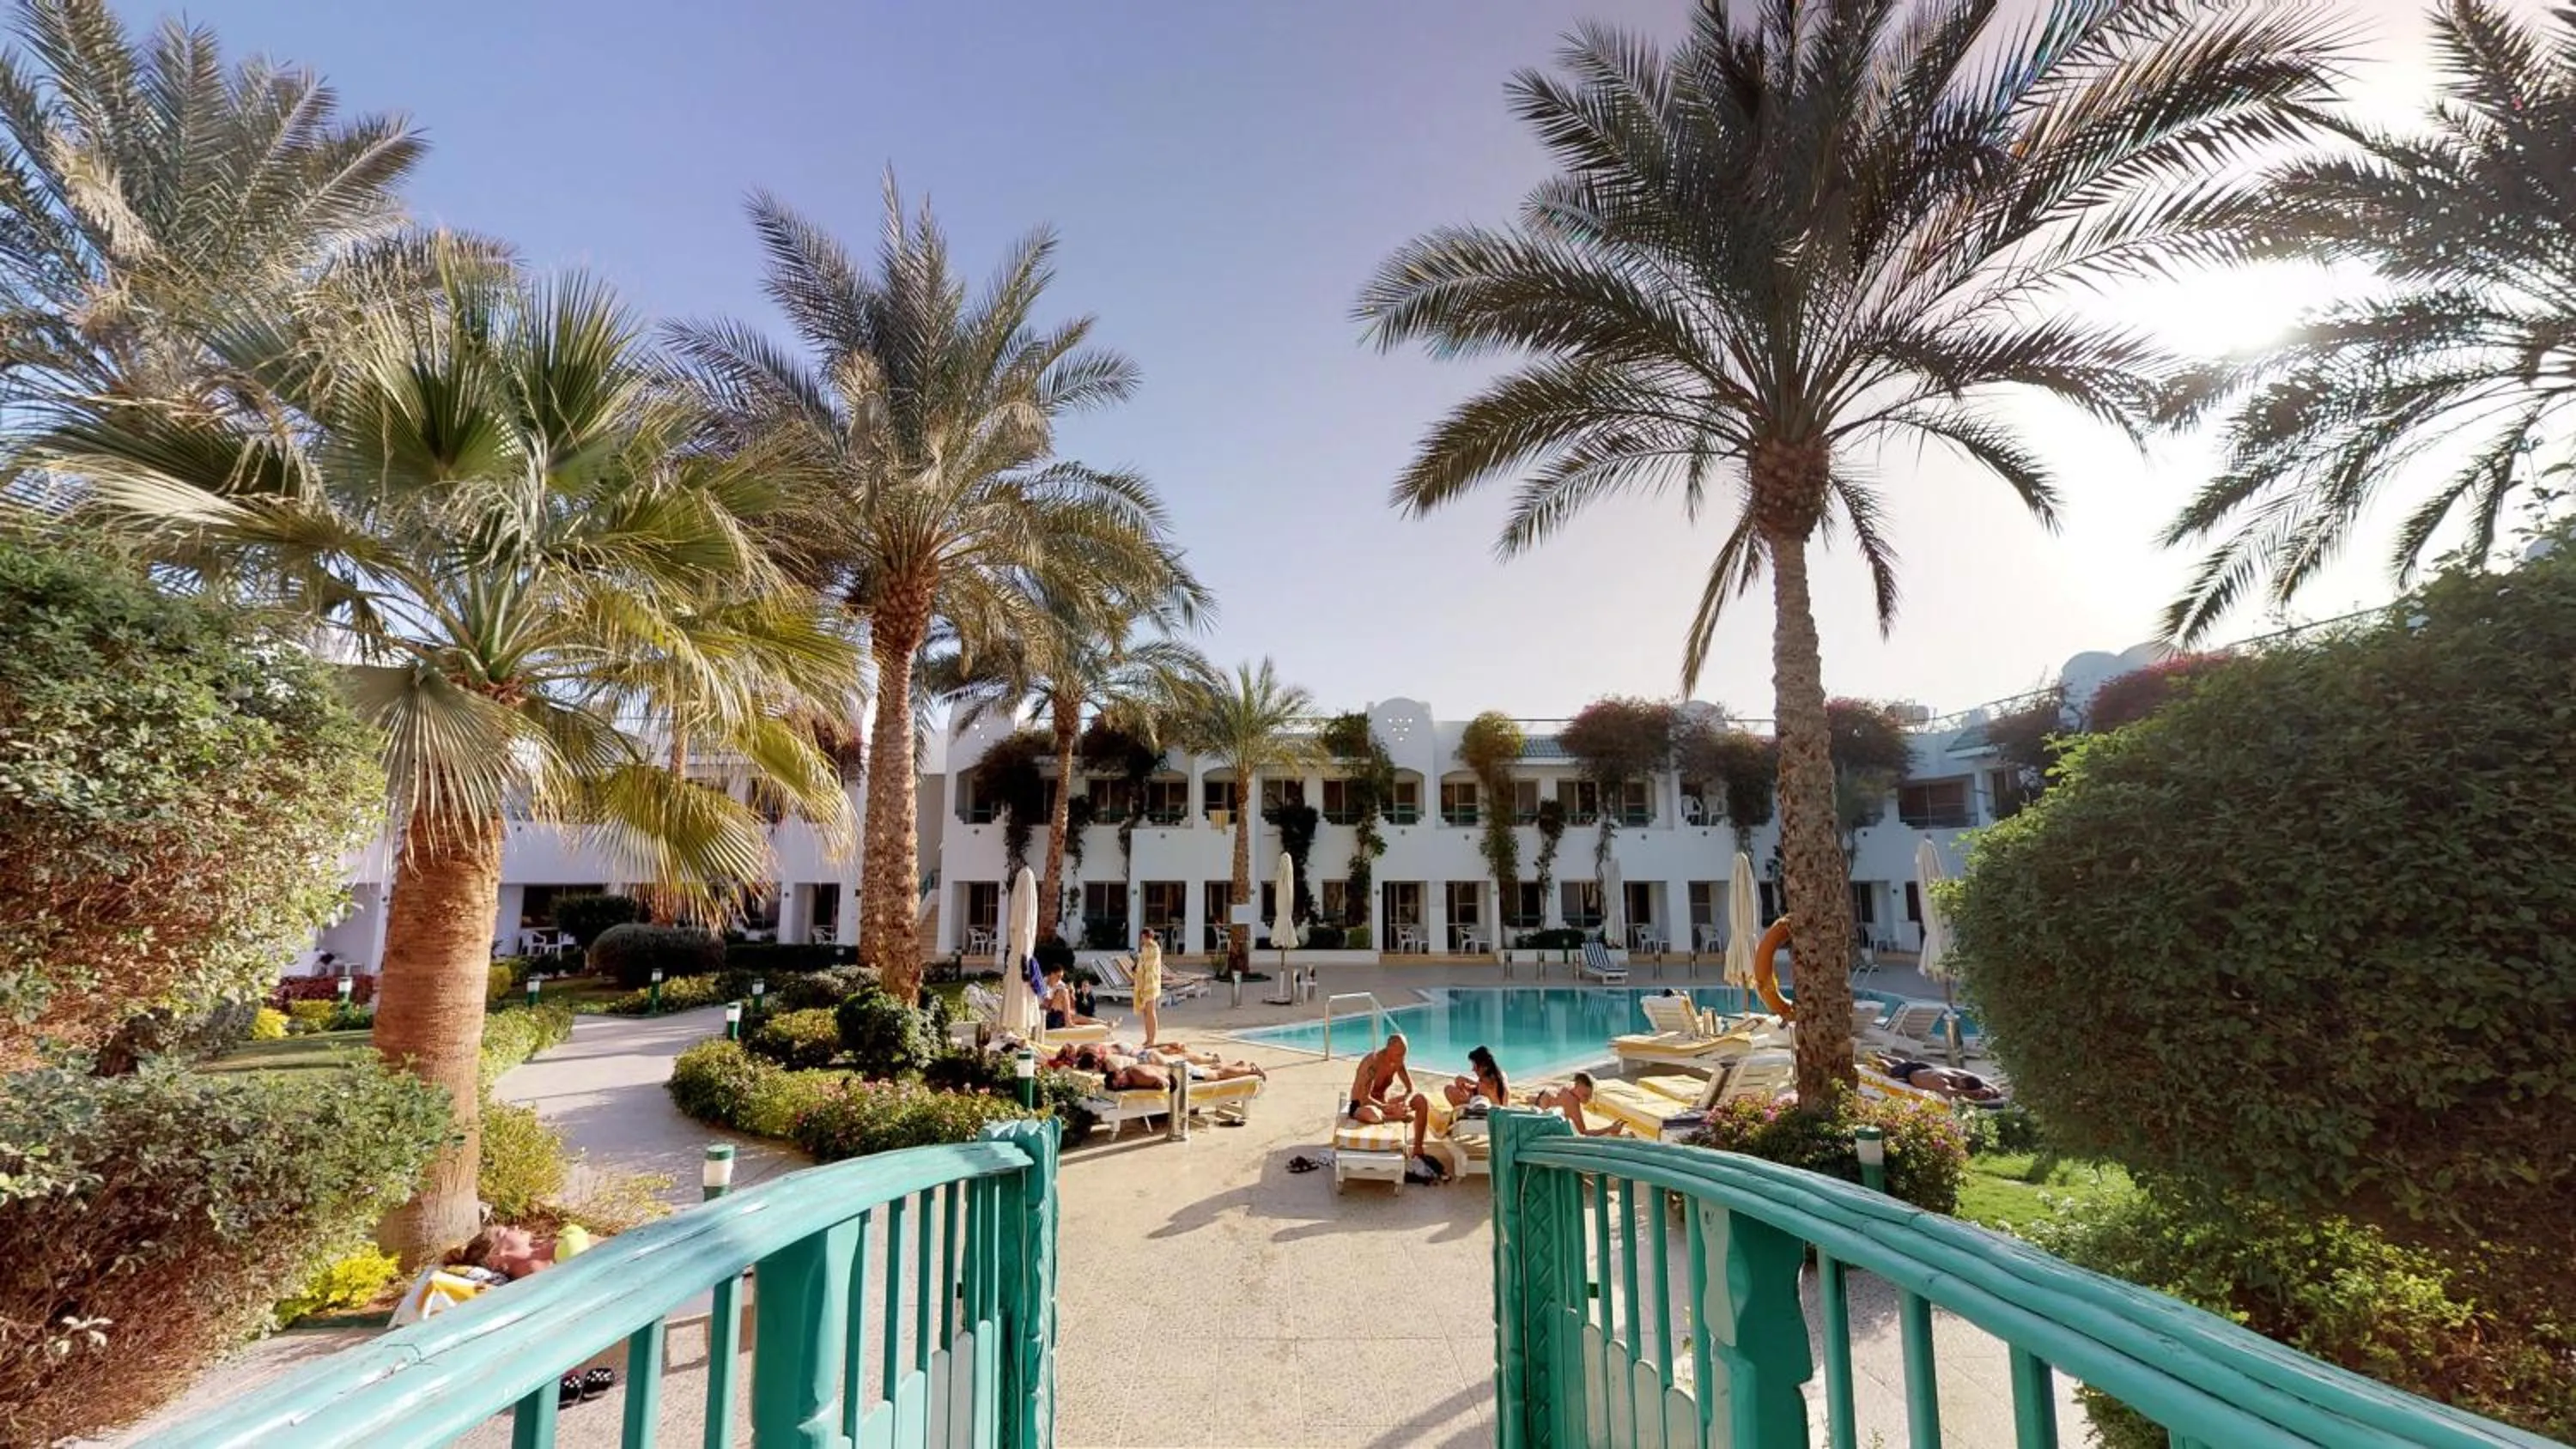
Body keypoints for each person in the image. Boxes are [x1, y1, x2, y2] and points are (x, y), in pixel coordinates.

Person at [1349, 1033, 1433, 1165]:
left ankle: (1418, 1150)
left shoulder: (1398, 1062)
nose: (1402, 1058)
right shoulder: (1373, 1062)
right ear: (1389, 1049)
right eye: (1399, 1054)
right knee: (1372, 1113)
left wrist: (1405, 1101)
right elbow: (1364, 1098)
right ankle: (1397, 1117)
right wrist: (1389, 1109)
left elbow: (1411, 1089)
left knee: (1420, 1100)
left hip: (1384, 1104)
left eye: (1404, 1054)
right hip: (1361, 1105)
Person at [1876, 1054, 2007, 1103]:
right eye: (1962, 1088)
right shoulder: (1941, 1082)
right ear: (1962, 1083)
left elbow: (1978, 1080)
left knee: (1902, 1062)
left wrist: (1992, 1089)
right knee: (1890, 1070)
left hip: (1925, 1068)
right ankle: (1880, 1058)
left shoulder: (1956, 1074)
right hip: (1910, 1073)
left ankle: (1891, 1057)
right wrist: (1971, 1094)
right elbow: (1949, 1093)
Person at [1532, 1072, 1619, 1136]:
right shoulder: (1572, 1102)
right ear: (1577, 1087)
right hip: (1544, 1119)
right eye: (1585, 1096)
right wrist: (1609, 1129)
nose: (1588, 1099)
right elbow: (1584, 1132)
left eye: (1589, 1096)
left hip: (1544, 1095)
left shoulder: (1570, 1087)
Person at [1443, 1044, 1510, 1109]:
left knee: (1449, 1089)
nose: (1473, 1069)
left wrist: (1467, 1082)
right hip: (1497, 1111)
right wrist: (1468, 1083)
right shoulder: (1500, 1075)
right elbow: (1487, 1090)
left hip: (1484, 1113)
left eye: (1475, 1066)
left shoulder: (1485, 1083)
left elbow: (1483, 1092)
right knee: (1459, 1081)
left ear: (1484, 1066)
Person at [1042, 968, 1102, 1032]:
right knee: (1063, 992)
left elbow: (1072, 1007)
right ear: (1052, 974)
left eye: (1061, 977)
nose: (1059, 979)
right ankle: (1068, 1022)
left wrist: (1071, 994)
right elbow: (1044, 1005)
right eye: (1058, 976)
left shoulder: (1060, 984)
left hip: (1058, 1016)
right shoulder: (1043, 983)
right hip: (1048, 1016)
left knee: (1080, 1018)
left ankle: (1105, 1023)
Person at [1133, 930, 1164, 1045]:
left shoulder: (1155, 948)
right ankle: (1148, 1038)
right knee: (1146, 1012)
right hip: (1143, 983)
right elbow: (1141, 963)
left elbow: (1150, 965)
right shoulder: (1144, 949)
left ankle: (1153, 1039)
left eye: (1143, 938)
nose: (1142, 940)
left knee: (1151, 1011)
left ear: (1148, 937)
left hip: (1151, 983)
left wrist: (1141, 968)